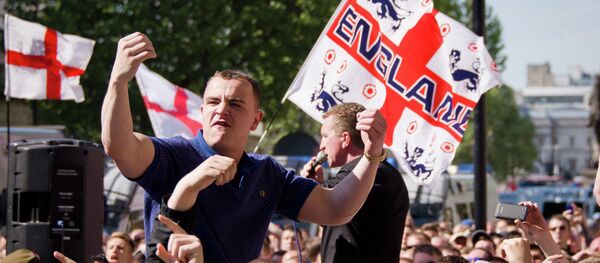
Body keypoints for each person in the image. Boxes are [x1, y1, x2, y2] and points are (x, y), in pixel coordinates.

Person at [101, 32, 388, 262]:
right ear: (202, 111)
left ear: (255, 120)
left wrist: (372, 154)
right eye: (214, 102)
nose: (222, 110)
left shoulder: (268, 173)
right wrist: (118, 80)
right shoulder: (175, 154)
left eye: (235, 104)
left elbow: (335, 209)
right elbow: (119, 146)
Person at [299, 103, 409, 263]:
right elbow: (341, 222)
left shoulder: (373, 174)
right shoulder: (377, 172)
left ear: (345, 139)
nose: (321, 146)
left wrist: (311, 189)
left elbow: (326, 202)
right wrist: (318, 186)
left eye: (325, 136)